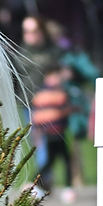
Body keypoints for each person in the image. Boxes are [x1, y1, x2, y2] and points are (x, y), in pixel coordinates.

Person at [30, 65, 77, 198]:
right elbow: (55, 111)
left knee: (55, 160)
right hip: (52, 132)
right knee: (59, 160)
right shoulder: (55, 93)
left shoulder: (55, 92)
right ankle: (65, 187)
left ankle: (36, 183)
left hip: (58, 131)